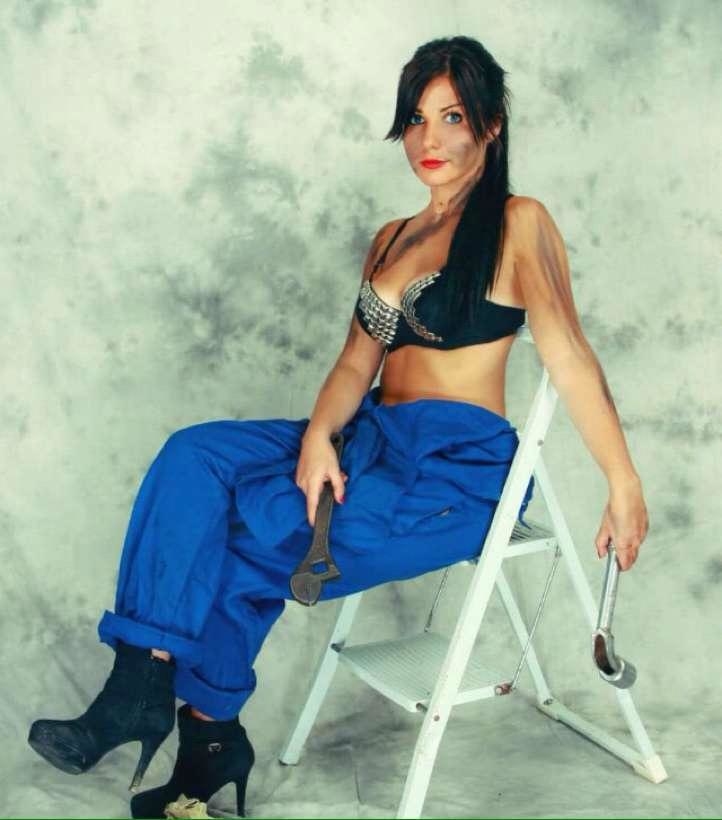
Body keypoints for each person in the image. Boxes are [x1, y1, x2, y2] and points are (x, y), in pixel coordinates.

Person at [27, 34, 649, 819]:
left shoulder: (518, 223)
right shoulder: (391, 238)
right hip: (369, 437)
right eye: (416, 118)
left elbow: (570, 354)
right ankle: (139, 686)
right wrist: (320, 435)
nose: (428, 138)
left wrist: (623, 484)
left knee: (238, 540)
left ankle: (207, 736)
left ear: (491, 126)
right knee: (193, 458)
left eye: (452, 117)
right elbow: (357, 362)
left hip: (453, 468)